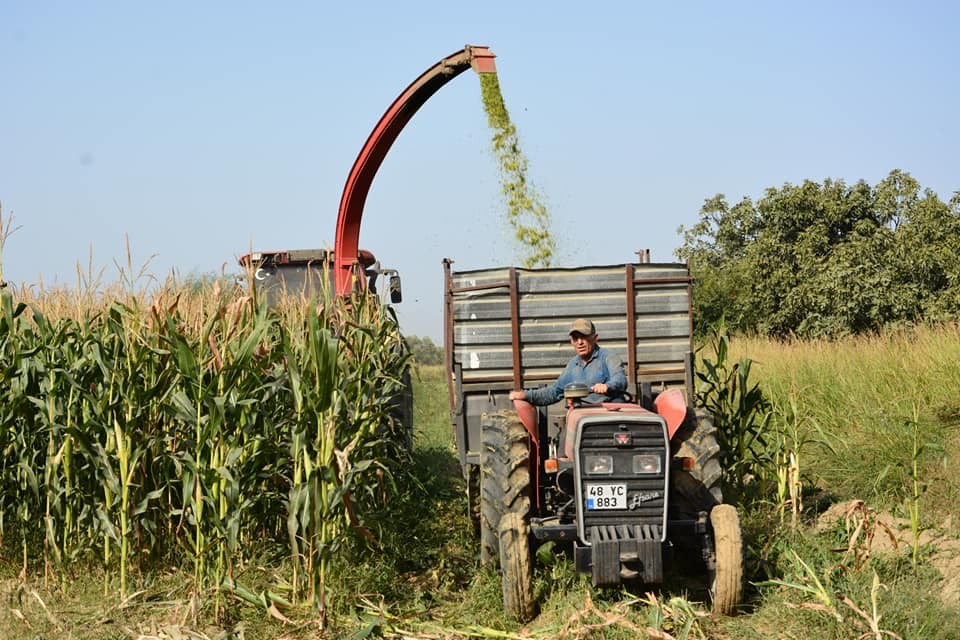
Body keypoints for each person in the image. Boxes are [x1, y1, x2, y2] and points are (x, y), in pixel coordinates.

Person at [508, 318, 627, 406]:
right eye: (575, 338)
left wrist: (607, 386)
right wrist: (526, 395)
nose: (580, 342)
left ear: (595, 338)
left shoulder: (608, 357)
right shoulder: (572, 366)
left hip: (608, 412)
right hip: (583, 414)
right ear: (571, 342)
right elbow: (554, 392)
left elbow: (620, 379)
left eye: (584, 337)